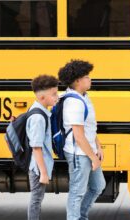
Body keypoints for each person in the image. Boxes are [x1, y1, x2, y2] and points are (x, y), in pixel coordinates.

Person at [58, 60, 106, 220]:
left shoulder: (84, 97)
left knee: (98, 186)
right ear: (77, 80)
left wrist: (98, 147)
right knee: (77, 192)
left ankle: (81, 216)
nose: (90, 79)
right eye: (87, 76)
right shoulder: (74, 103)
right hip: (79, 153)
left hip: (89, 150)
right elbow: (78, 135)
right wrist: (93, 158)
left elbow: (90, 127)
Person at [27, 74, 59, 220]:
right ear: (42, 98)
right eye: (53, 94)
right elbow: (36, 147)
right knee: (36, 200)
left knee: (37, 199)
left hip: (38, 165)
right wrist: (44, 172)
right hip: (38, 167)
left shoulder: (40, 110)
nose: (56, 97)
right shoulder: (38, 118)